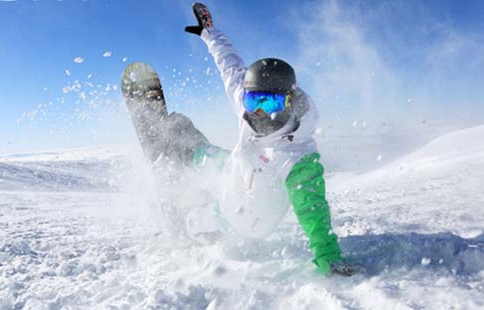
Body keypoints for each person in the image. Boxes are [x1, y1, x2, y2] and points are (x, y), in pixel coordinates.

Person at [121, 3, 352, 276]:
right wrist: (209, 32)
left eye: (271, 103)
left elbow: (313, 209)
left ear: (290, 102)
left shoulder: (298, 157)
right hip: (236, 169)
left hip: (244, 217)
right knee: (187, 135)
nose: (260, 112)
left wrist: (329, 256)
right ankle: (167, 141)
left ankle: (184, 224)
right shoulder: (246, 105)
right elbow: (229, 63)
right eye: (255, 100)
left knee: (197, 220)